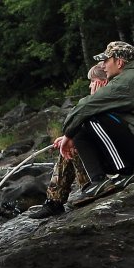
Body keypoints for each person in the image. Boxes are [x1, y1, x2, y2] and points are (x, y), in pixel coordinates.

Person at [57, 41, 134, 205]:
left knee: (90, 117)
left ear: (119, 62)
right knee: (82, 125)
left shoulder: (128, 80)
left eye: (106, 61)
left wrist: (67, 134)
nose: (103, 66)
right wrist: (71, 133)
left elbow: (86, 106)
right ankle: (98, 181)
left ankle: (126, 172)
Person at [29, 64, 108, 219]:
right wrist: (67, 137)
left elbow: (91, 125)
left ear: (102, 82)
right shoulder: (98, 101)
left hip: (108, 165)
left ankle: (84, 189)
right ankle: (54, 202)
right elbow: (76, 124)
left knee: (73, 147)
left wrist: (93, 99)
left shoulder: (107, 101)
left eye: (92, 81)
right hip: (102, 157)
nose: (90, 85)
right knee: (69, 146)